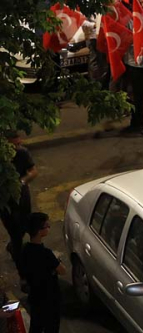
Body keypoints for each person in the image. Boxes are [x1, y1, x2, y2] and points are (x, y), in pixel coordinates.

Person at [1, 132, 37, 278]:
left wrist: (22, 182)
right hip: (6, 202)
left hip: (22, 197)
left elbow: (33, 171)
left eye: (18, 144)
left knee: (24, 226)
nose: (17, 147)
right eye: (13, 145)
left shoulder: (22, 153)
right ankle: (23, 272)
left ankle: (14, 247)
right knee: (15, 233)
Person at [22, 212, 65, 333]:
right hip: (50, 299)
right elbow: (62, 270)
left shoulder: (26, 250)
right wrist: (55, 264)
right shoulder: (46, 254)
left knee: (36, 326)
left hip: (35, 297)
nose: (49, 227)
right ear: (40, 231)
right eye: (46, 226)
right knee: (51, 327)